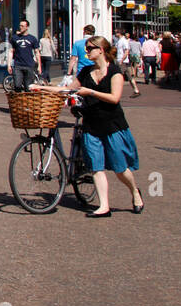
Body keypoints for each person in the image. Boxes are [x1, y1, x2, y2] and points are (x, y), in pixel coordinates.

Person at [56, 37, 144, 217]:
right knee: (96, 167)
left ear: (101, 50)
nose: (86, 51)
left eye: (90, 48)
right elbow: (69, 89)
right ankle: (104, 206)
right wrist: (42, 88)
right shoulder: (86, 72)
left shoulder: (114, 72)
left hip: (112, 125)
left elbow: (114, 98)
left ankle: (135, 191)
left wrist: (91, 92)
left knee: (120, 169)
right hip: (91, 125)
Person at [10, 19, 41, 91]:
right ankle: (18, 101)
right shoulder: (15, 38)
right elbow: (11, 51)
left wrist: (39, 66)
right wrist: (9, 64)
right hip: (18, 65)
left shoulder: (32, 38)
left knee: (28, 87)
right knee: (17, 85)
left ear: (27, 27)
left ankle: (27, 101)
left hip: (29, 65)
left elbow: (37, 52)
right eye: (20, 26)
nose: (21, 27)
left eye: (22, 26)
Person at [115, 30, 142, 97]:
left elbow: (126, 51)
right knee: (129, 77)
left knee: (118, 76)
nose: (115, 34)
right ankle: (136, 90)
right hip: (121, 60)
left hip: (122, 61)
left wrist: (121, 60)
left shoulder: (123, 41)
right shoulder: (120, 41)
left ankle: (115, 92)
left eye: (116, 32)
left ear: (119, 33)